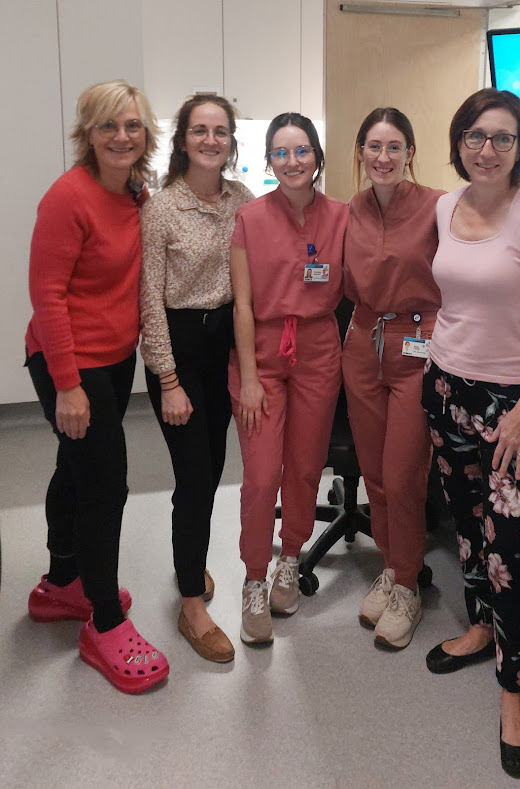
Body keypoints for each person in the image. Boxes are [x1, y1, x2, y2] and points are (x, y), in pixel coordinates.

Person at [421, 88, 520, 778]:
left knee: (511, 549)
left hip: (516, 407)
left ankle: (515, 691)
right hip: (445, 390)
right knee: (466, 528)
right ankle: (481, 627)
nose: (486, 149)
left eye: (502, 138)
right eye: (474, 136)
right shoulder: (445, 206)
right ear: (459, 142)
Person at [26, 80, 169, 694]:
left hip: (112, 360)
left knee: (75, 466)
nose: (121, 136)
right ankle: (104, 623)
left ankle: (62, 584)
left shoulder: (136, 193)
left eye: (132, 125)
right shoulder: (68, 197)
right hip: (69, 361)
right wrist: (67, 385)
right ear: (88, 132)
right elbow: (47, 295)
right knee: (106, 485)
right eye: (108, 125)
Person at [140, 94, 253, 663]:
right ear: (182, 139)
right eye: (200, 130)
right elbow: (149, 303)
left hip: (223, 350)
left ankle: (191, 557)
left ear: (231, 141)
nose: (211, 140)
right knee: (193, 475)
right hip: (179, 353)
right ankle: (191, 605)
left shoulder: (242, 200)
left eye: (221, 131)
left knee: (209, 470)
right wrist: (167, 381)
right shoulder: (161, 209)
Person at [229, 113, 348, 645]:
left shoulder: (342, 217)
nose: (292, 161)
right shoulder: (249, 218)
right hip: (261, 353)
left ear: (317, 156)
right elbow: (243, 305)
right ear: (269, 160)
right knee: (260, 476)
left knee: (304, 467)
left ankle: (290, 560)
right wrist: (250, 379)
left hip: (319, 351)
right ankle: (255, 576)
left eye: (302, 151)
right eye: (281, 152)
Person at [342, 108, 444, 649]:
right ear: (360, 151)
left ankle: (409, 584)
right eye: (374, 146)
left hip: (418, 342)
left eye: (394, 147)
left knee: (403, 476)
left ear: (410, 153)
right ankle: (392, 567)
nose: (383, 157)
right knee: (375, 475)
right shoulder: (348, 212)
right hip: (363, 342)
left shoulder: (438, 207)